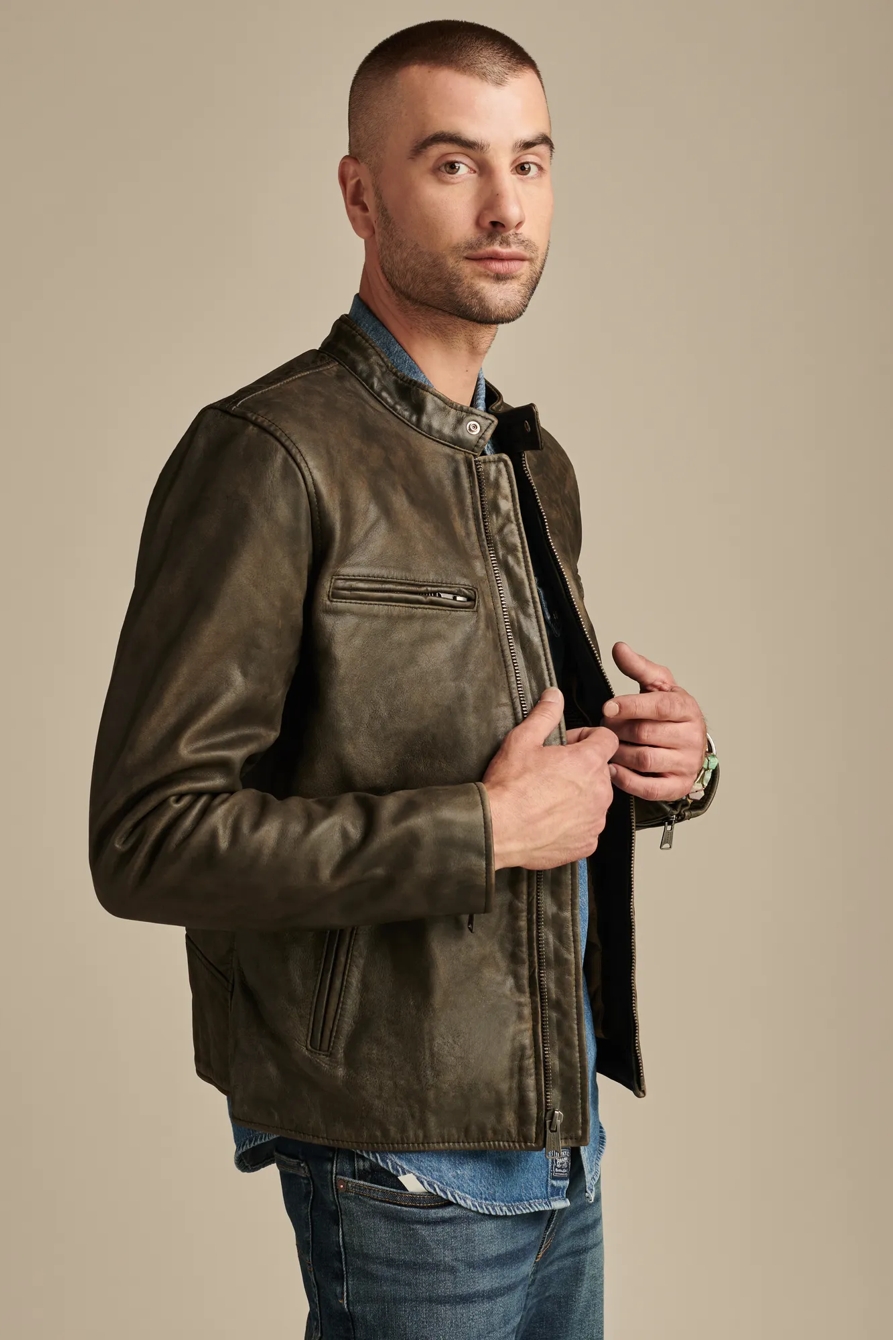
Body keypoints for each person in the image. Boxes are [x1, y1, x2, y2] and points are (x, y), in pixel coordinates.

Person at [88, 19, 719, 1339]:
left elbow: (518, 768)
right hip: (399, 1154)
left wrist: (660, 766)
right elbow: (148, 840)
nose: (505, 208)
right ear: (360, 195)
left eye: (529, 162)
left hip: (558, 1132)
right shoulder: (270, 454)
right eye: (452, 164)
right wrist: (482, 829)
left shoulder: (526, 462)